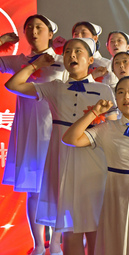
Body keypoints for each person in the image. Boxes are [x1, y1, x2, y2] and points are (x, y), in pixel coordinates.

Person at [5, 37, 117, 255]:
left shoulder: (104, 90)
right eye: (67, 52)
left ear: (91, 59)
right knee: (68, 226)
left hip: (92, 162)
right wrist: (35, 65)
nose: (72, 55)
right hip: (61, 160)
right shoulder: (55, 88)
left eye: (78, 52)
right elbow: (13, 85)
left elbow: (112, 132)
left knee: (95, 224)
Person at [62, 76, 129, 255]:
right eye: (120, 92)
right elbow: (70, 139)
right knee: (116, 244)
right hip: (116, 197)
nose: (126, 97)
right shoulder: (107, 128)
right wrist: (94, 113)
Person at [1, 14, 64, 255]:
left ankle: (56, 244)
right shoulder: (20, 61)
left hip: (57, 130)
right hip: (29, 132)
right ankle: (38, 245)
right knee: (35, 190)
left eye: (39, 27)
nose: (33, 32)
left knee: (59, 188)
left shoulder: (62, 60)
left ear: (50, 33)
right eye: (29, 28)